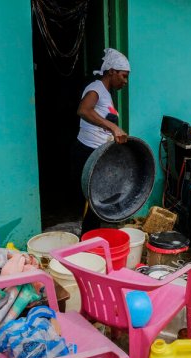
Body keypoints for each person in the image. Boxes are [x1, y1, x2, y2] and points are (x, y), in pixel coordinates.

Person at [70, 48, 130, 235]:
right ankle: (86, 243)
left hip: (97, 153)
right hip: (86, 153)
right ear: (111, 71)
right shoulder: (95, 88)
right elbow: (84, 110)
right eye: (123, 76)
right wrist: (113, 127)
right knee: (92, 201)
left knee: (96, 201)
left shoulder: (105, 93)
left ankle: (90, 239)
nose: (125, 81)